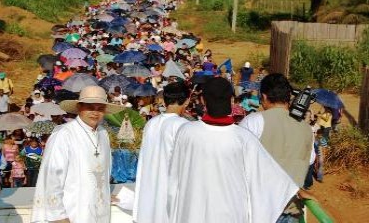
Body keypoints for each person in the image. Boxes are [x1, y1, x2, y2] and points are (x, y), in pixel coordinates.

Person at [168, 77, 300, 223]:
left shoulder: (186, 132)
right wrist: (299, 191)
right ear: (231, 100)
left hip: (192, 212)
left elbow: (174, 178)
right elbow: (273, 180)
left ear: (203, 101)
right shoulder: (243, 138)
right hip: (230, 214)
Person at [31, 86, 122, 223]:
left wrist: (105, 192)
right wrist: (59, 217)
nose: (95, 112)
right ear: (79, 107)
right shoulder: (64, 134)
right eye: (90, 107)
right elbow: (51, 178)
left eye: (100, 108)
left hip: (100, 212)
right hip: (72, 213)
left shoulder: (103, 134)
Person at [239, 73, 313, 222]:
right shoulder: (307, 129)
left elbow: (238, 161)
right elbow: (310, 160)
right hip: (291, 209)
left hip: (259, 211)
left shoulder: (253, 121)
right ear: (288, 97)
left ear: (264, 97)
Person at [133, 82, 190, 223]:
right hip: (169, 199)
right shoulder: (183, 126)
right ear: (187, 101)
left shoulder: (151, 123)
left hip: (147, 198)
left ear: (164, 101)